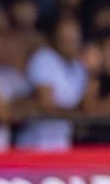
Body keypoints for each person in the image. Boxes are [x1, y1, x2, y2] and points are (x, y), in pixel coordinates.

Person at [17, 13, 88, 150]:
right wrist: (77, 115)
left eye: (73, 37)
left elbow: (84, 106)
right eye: (65, 38)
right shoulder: (43, 58)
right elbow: (47, 105)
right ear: (55, 37)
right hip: (34, 144)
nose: (69, 42)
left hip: (62, 145)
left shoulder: (79, 68)